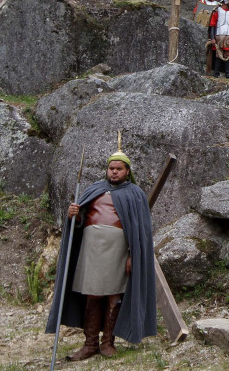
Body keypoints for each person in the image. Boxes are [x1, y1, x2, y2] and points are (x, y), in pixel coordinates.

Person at [45, 147, 156, 361]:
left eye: (119, 169)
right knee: (92, 294)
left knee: (114, 295)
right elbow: (78, 222)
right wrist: (73, 216)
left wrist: (133, 255)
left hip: (118, 250)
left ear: (127, 171)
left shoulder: (135, 194)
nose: (114, 172)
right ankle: (90, 344)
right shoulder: (94, 189)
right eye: (111, 168)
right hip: (92, 250)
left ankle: (108, 343)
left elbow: (140, 230)